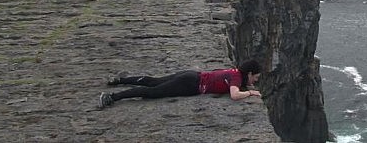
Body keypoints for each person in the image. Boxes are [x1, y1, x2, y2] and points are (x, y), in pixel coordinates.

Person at [97, 59, 262, 109]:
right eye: (256, 77)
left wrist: (247, 86)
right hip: (190, 85)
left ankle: (119, 80)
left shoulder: (234, 72)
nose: (256, 81)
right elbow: (234, 95)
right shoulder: (237, 79)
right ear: (249, 73)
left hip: (191, 75)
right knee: (153, 91)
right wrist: (249, 93)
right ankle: (112, 97)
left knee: (153, 81)